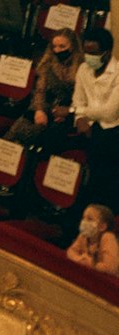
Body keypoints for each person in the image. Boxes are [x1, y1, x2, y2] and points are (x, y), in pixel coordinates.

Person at [7, 30, 84, 145]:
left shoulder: (83, 68)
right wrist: (39, 110)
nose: (57, 50)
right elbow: (40, 90)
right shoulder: (48, 64)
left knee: (44, 135)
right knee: (19, 129)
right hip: (44, 105)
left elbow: (83, 98)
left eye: (62, 46)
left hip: (66, 111)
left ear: (72, 46)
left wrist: (67, 113)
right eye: (54, 46)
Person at [71, 28, 119, 209]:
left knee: (102, 153)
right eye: (86, 52)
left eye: (93, 53)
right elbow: (78, 98)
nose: (88, 56)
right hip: (88, 124)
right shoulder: (84, 69)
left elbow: (109, 112)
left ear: (106, 53)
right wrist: (79, 118)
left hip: (113, 128)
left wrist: (73, 111)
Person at [66, 204, 119, 276]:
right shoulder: (84, 235)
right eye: (83, 218)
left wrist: (92, 264)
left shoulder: (108, 237)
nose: (84, 222)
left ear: (102, 227)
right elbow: (70, 251)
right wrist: (79, 259)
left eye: (89, 219)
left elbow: (110, 268)